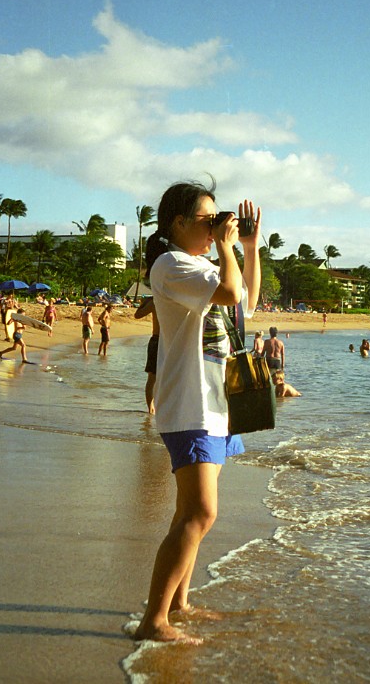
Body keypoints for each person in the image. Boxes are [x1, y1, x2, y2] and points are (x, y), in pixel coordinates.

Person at [130, 180, 261, 645]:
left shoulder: (202, 263)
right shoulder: (169, 266)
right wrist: (227, 249)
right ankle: (154, 621)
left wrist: (247, 246)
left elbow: (246, 299)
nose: (215, 227)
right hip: (191, 404)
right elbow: (229, 292)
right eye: (208, 221)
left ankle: (179, 603)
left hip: (218, 402)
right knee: (201, 513)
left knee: (190, 511)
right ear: (177, 223)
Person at [134, 296, 159, 414]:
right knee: (155, 377)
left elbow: (137, 314)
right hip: (164, 340)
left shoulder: (155, 300)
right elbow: (137, 315)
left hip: (160, 339)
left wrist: (145, 303)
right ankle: (151, 408)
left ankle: (152, 408)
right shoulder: (160, 299)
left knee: (153, 378)